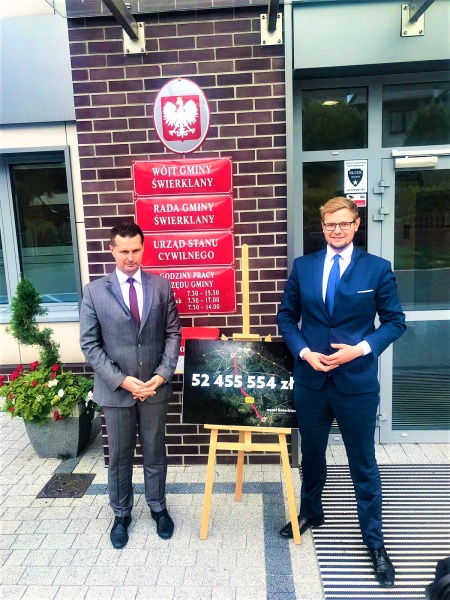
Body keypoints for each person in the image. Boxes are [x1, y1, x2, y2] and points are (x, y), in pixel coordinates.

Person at [277, 197, 406, 588]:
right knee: (312, 456)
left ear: (356, 224)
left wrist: (360, 349)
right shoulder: (304, 266)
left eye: (344, 224)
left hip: (356, 385)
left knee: (362, 463)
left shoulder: (377, 269)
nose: (337, 230)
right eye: (330, 224)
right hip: (312, 382)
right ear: (322, 226)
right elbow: (286, 316)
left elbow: (395, 322)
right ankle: (310, 511)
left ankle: (375, 543)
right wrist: (303, 352)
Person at [80, 223, 181, 549]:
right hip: (115, 391)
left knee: (155, 452)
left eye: (136, 250)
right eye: (123, 251)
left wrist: (162, 375)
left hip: (154, 388)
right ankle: (121, 514)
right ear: (112, 250)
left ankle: (158, 508)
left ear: (143, 248)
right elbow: (90, 344)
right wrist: (122, 380)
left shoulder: (161, 287)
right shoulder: (94, 292)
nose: (130, 257)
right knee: (120, 457)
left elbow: (173, 334)